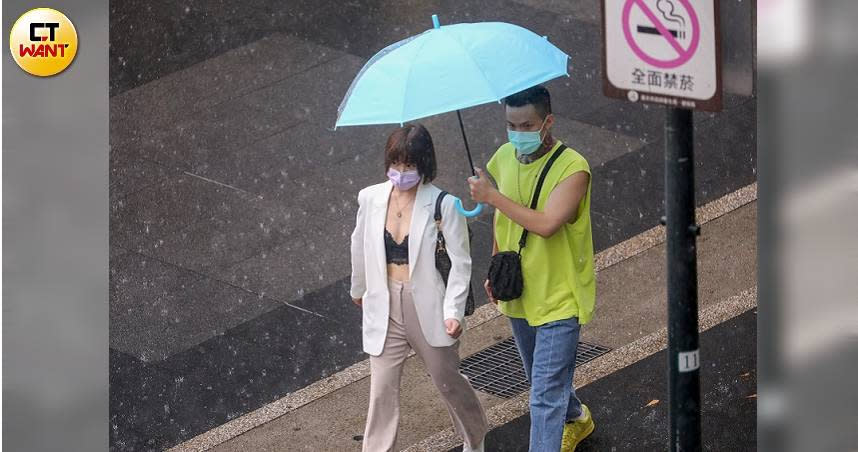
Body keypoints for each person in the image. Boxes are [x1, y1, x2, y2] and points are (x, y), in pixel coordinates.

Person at [468, 85, 596, 452]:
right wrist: (495, 265)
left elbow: (547, 223)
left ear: (548, 122)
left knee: (543, 396)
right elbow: (501, 221)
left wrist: (493, 195)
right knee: (542, 380)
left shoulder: (574, 168)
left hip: (560, 296)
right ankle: (578, 418)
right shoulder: (503, 157)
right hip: (521, 290)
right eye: (511, 125)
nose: (518, 134)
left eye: (526, 125)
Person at [350, 123, 488, 452]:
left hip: (428, 305)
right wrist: (360, 288)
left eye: (409, 165)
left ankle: (475, 436)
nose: (400, 172)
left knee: (447, 382)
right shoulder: (370, 198)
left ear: (424, 165)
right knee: (381, 391)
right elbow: (359, 245)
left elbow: (460, 263)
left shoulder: (444, 205)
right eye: (395, 164)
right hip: (385, 303)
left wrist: (453, 312)